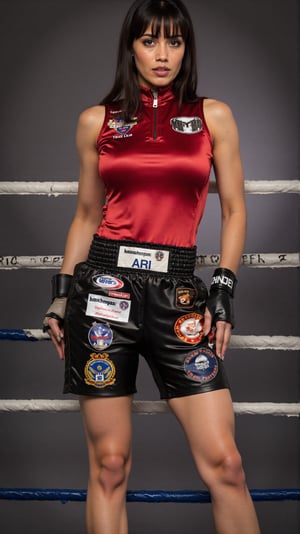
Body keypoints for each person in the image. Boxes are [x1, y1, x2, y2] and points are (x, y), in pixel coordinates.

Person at [43, 0, 261, 532]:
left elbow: (233, 209)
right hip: (104, 292)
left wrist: (224, 289)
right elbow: (87, 215)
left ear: (187, 48)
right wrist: (62, 292)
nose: (162, 54)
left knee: (226, 464)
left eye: (174, 41)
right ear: (131, 46)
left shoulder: (215, 115)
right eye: (149, 40)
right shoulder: (98, 120)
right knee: (110, 465)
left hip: (178, 294)